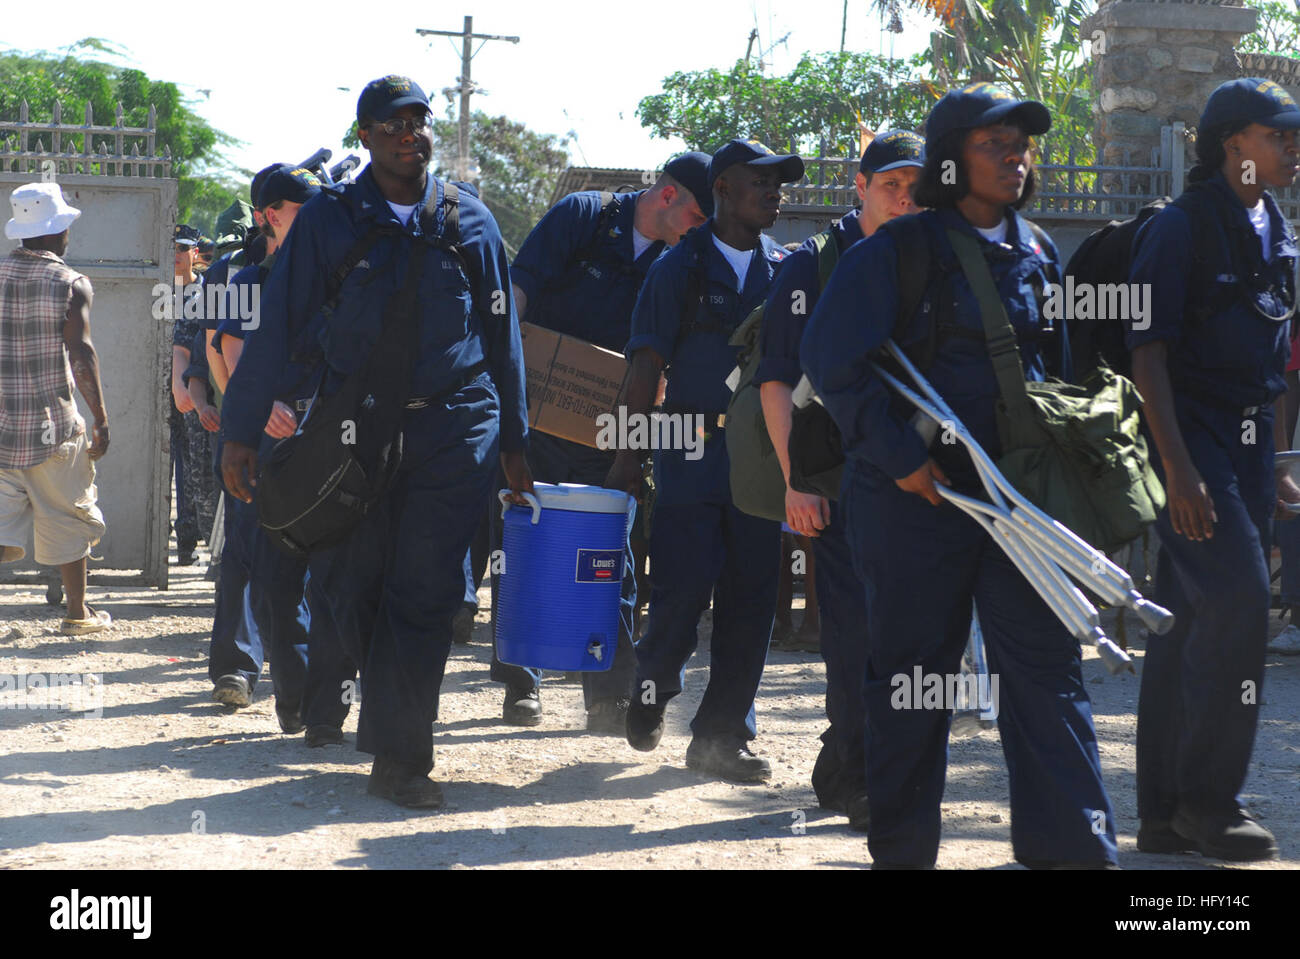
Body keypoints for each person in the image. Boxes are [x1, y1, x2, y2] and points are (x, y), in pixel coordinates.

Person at [802, 84, 1118, 868]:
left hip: (1018, 508)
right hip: (918, 503)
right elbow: (829, 362)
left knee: (1047, 677)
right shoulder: (896, 252)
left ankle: (1077, 855)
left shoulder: (1040, 251)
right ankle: (903, 853)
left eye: (1023, 143)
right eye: (994, 143)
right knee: (915, 682)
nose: (1017, 156)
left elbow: (1059, 372)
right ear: (950, 161)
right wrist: (903, 459)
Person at [220, 75, 532, 807]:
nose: (408, 132)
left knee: (424, 590)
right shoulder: (329, 220)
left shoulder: (472, 221)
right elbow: (276, 323)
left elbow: (503, 336)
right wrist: (240, 429)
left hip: (456, 427)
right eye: (391, 123)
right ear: (363, 135)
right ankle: (387, 708)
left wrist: (515, 439)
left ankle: (400, 756)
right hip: (356, 425)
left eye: (418, 121)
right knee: (347, 583)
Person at [1130, 77, 1300, 862]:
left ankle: (1163, 813)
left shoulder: (1275, 225)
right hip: (1188, 440)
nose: (1294, 148)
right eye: (1279, 135)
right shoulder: (1181, 227)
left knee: (1186, 619)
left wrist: (1272, 460)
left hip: (1246, 447)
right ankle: (1210, 801)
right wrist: (1180, 469)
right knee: (1240, 598)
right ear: (1234, 143)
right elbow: (1148, 353)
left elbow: (1269, 358)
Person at [493, 150, 712, 732]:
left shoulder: (682, 259)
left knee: (606, 552)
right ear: (668, 196)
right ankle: (521, 684)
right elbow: (517, 293)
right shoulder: (583, 217)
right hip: (537, 414)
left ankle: (608, 697)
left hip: (613, 428)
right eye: (698, 212)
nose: (702, 226)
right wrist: (514, 378)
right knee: (526, 543)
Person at [606, 138, 803, 782]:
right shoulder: (679, 270)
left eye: (780, 183)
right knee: (682, 593)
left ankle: (722, 736)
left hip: (758, 465)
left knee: (751, 601)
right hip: (689, 454)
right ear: (722, 189)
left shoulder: (786, 273)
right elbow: (644, 369)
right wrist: (628, 457)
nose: (775, 193)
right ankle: (653, 685)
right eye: (760, 182)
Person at [756, 130, 924, 831]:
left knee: (908, 634)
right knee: (855, 633)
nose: (905, 199)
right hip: (836, 477)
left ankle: (859, 763)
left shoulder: (930, 259)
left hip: (915, 478)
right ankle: (857, 774)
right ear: (860, 187)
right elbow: (775, 383)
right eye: (891, 185)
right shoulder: (812, 267)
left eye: (917, 187)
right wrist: (797, 481)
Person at [204, 165, 321, 725]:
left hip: (325, 439)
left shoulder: (336, 278)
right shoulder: (251, 280)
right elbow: (228, 350)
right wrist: (259, 408)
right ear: (269, 216)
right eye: (301, 209)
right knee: (247, 553)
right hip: (264, 439)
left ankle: (314, 680)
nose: (314, 219)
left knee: (320, 558)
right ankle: (237, 665)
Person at [0, 183, 111, 633]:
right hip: (54, 427)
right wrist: (101, 419)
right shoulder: (70, 283)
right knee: (69, 513)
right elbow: (81, 354)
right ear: (56, 230)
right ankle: (77, 614)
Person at [169, 223, 218, 565]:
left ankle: (187, 542)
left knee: (192, 470)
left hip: (191, 390)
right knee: (158, 468)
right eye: (171, 247)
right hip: (157, 394)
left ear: (194, 253)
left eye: (182, 248)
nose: (176, 255)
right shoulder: (156, 289)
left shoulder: (205, 294)